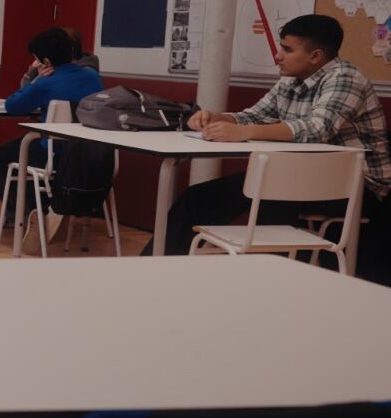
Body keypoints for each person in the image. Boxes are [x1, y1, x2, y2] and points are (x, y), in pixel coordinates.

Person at [147, 14, 389, 256]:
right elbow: (253, 115)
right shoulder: (290, 80)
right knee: (198, 197)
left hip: (360, 187)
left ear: (315, 56)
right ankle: (155, 266)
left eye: (286, 49)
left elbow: (318, 129)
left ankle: (273, 272)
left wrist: (243, 132)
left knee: (269, 200)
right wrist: (216, 117)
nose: (277, 55)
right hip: (299, 176)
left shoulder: (345, 77)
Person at [0, 27, 104, 233]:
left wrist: (36, 79)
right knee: (28, 150)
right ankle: (38, 210)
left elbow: (13, 106)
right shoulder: (93, 77)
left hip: (55, 152)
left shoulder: (45, 83)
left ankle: (22, 214)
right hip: (90, 155)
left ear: (46, 62)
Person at [19, 26, 99, 88]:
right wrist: (33, 71)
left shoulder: (86, 70)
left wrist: (42, 81)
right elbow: (24, 88)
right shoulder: (52, 63)